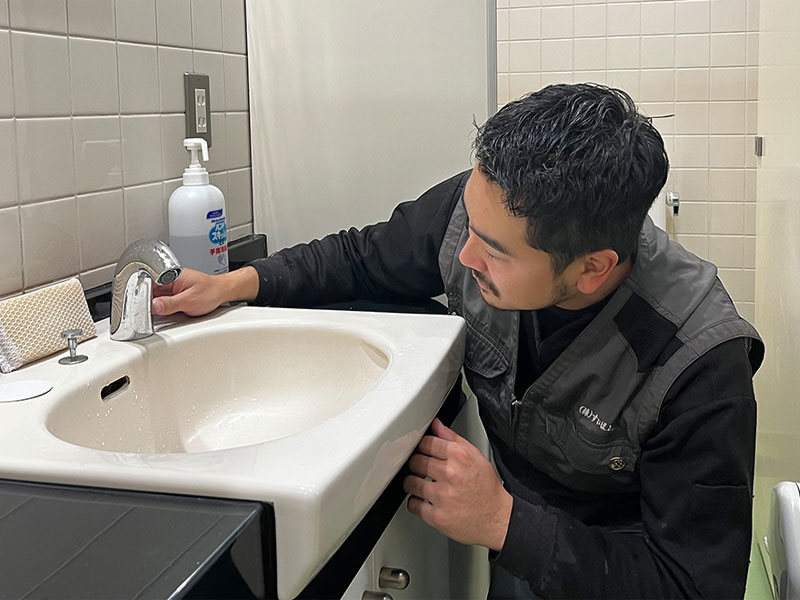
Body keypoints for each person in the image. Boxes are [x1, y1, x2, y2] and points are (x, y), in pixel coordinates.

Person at [152, 84, 764, 599]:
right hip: (515, 538)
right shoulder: (489, 207)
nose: (464, 257)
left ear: (592, 269)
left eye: (494, 252)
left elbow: (692, 586)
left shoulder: (697, 360)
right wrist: (235, 283)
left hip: (606, 564)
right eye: (470, 224)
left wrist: (504, 522)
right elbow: (361, 258)